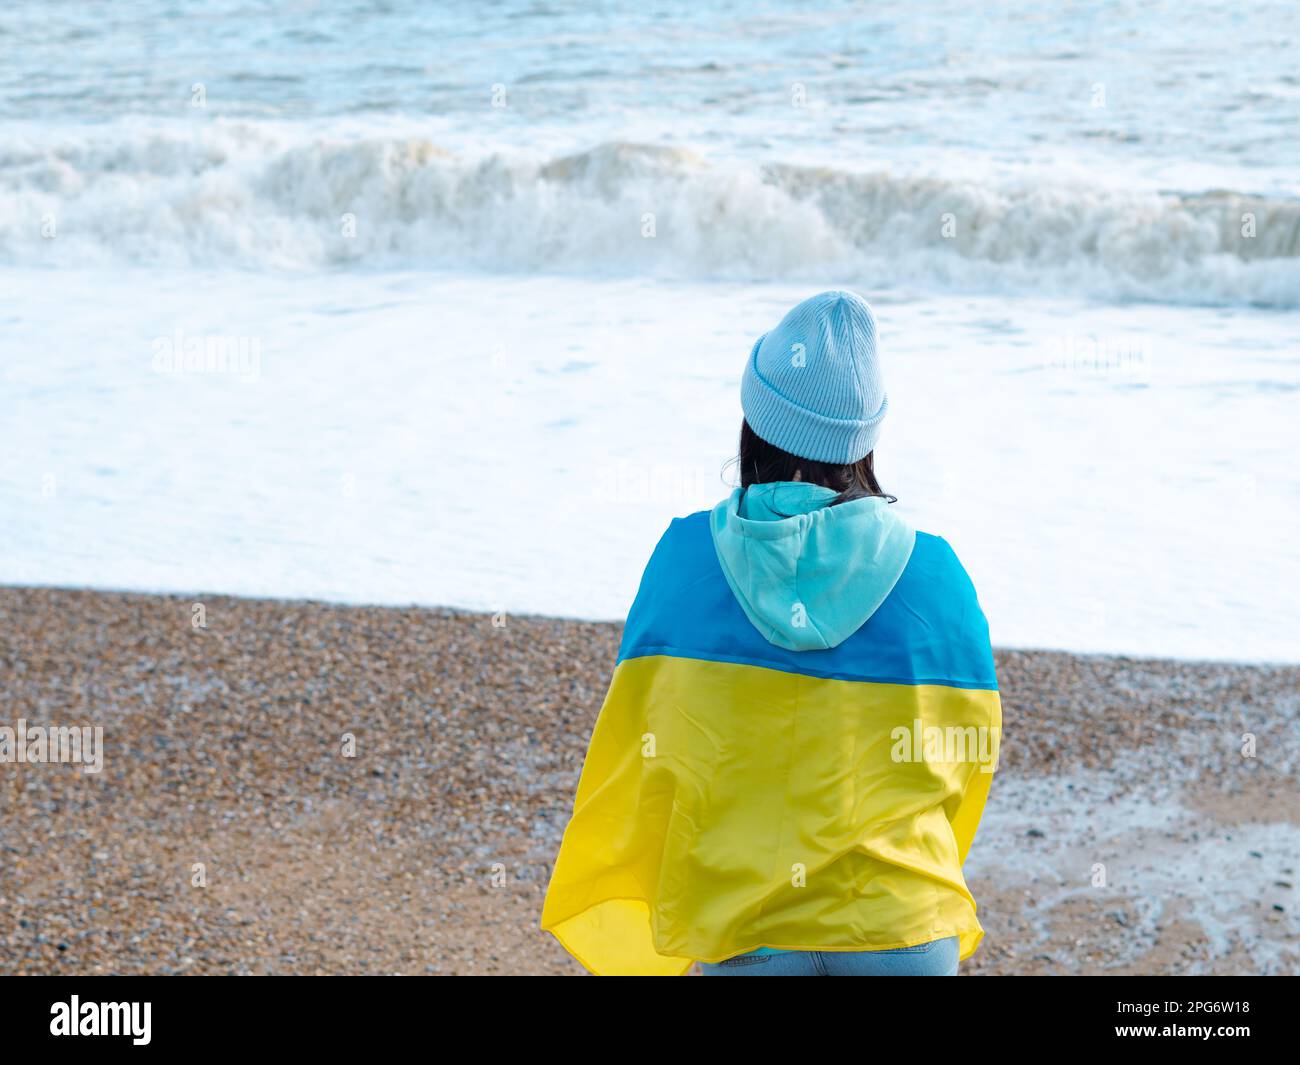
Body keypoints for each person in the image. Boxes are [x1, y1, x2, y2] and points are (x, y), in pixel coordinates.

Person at [542, 290, 1001, 976]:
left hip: (746, 927)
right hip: (900, 925)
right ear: (867, 438)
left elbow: (644, 743)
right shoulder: (936, 574)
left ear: (753, 422)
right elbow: (967, 758)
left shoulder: (685, 560)